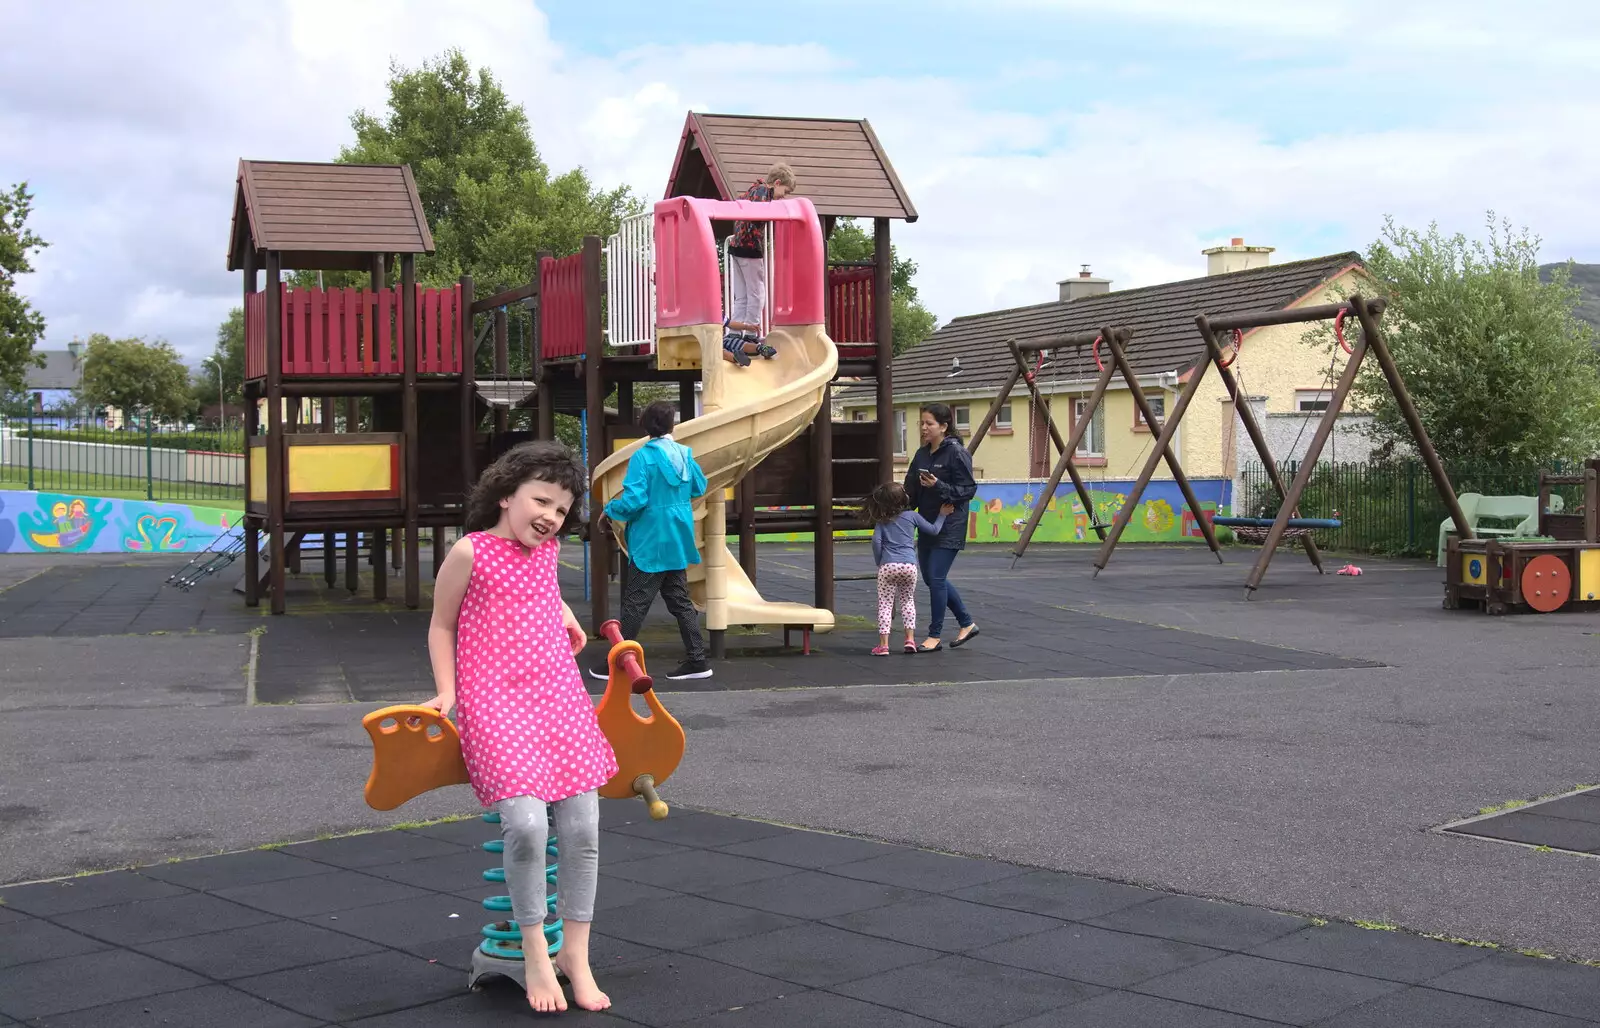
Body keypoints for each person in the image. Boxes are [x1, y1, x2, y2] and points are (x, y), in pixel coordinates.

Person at [422, 441, 617, 1014]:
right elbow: (441, 624)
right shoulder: (470, 552)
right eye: (541, 500)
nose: (551, 516)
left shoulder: (549, 551)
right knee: (528, 826)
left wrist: (566, 616)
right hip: (495, 701)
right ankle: (535, 951)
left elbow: (540, 593)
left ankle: (575, 955)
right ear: (506, 496)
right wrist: (447, 691)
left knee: (583, 827)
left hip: (559, 696)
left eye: (561, 509)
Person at [593, 400, 712, 681]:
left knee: (635, 602)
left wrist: (609, 510)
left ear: (645, 425)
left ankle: (618, 662)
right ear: (672, 424)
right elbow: (699, 486)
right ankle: (697, 660)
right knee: (680, 601)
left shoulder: (643, 457)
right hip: (678, 535)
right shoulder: (684, 453)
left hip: (651, 538)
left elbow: (634, 500)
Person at [904, 403, 979, 652]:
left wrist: (938, 486)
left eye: (929, 423)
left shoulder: (956, 453)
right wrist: (897, 511)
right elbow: (910, 490)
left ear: (944, 426)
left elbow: (968, 490)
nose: (923, 428)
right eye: (921, 423)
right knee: (932, 578)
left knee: (936, 578)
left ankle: (934, 636)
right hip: (926, 524)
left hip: (949, 525)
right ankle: (967, 623)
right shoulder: (921, 454)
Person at [861, 481, 953, 655]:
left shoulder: (882, 521)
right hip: (909, 566)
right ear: (903, 499)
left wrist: (880, 561)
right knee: (908, 601)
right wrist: (942, 515)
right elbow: (933, 530)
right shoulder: (912, 516)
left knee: (885, 605)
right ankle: (910, 640)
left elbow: (876, 542)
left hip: (888, 566)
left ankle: (883, 645)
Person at [722, 162, 796, 366]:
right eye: (785, 191)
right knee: (758, 293)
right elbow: (761, 213)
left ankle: (735, 334)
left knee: (743, 296)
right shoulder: (764, 192)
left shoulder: (753, 190)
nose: (784, 196)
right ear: (777, 183)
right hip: (749, 247)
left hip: (736, 246)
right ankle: (751, 334)